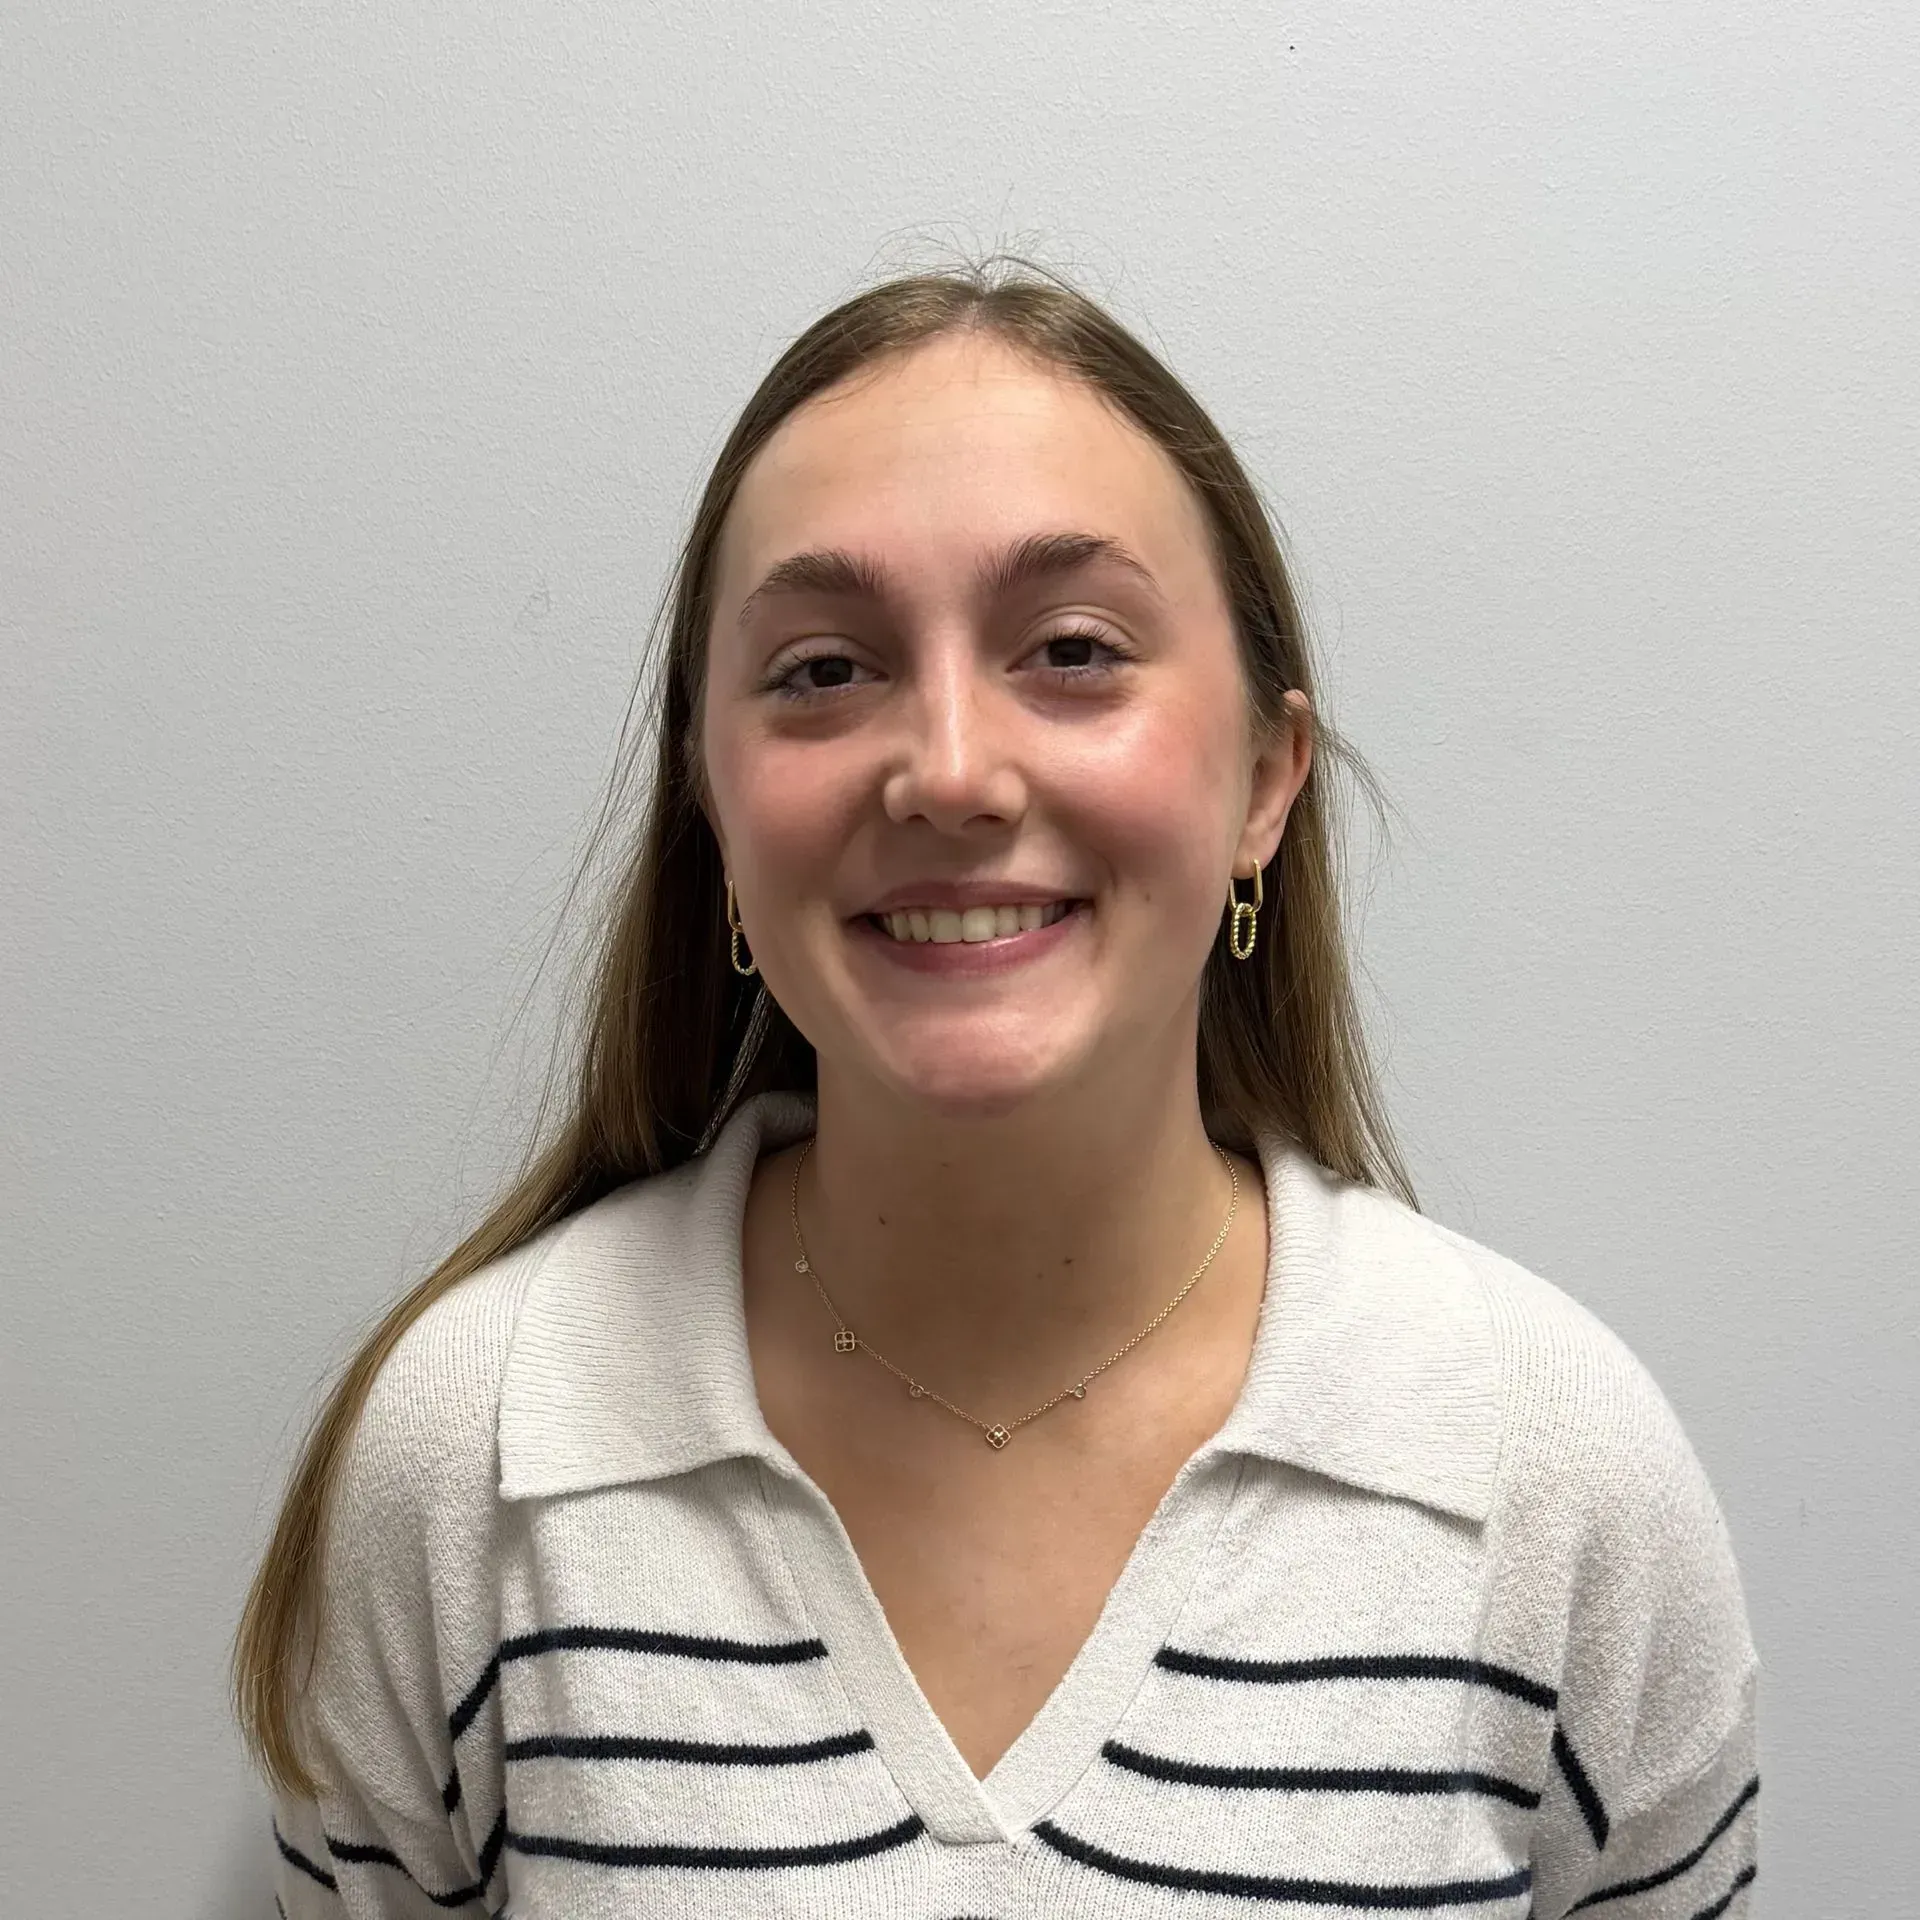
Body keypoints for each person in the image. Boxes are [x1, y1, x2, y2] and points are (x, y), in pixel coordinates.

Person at [235, 257, 1760, 1918]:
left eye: (1076, 648)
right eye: (823, 668)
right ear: (714, 811)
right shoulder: (474, 1459)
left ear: (1264, 780)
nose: (951, 771)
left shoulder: (1556, 1483)